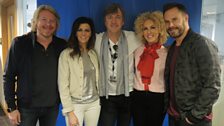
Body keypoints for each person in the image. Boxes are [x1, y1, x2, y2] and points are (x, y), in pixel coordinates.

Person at [3, 5, 67, 126]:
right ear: (35, 22)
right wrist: (12, 107)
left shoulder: (62, 45)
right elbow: (9, 77)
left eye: (52, 21)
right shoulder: (20, 44)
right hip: (26, 107)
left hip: (52, 106)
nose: (48, 24)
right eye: (44, 19)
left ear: (56, 24)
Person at [163, 2, 221, 126]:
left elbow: (213, 86)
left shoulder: (202, 44)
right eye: (167, 22)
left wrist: (193, 117)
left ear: (186, 18)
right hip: (174, 117)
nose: (171, 25)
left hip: (194, 121)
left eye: (174, 19)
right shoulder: (173, 48)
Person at [94, 3, 140, 126]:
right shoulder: (96, 40)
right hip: (106, 95)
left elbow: (153, 38)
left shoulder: (134, 37)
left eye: (118, 17)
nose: (113, 21)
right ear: (104, 21)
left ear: (123, 21)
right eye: (110, 17)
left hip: (128, 93)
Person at [58, 17, 100, 126]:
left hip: (94, 104)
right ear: (75, 32)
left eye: (87, 30)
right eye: (80, 30)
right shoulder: (66, 55)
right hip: (75, 105)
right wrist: (70, 112)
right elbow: (63, 85)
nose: (83, 33)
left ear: (91, 33)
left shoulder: (93, 54)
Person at [132, 11, 168, 126]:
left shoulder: (166, 52)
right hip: (138, 95)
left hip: (158, 98)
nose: (149, 32)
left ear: (160, 30)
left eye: (153, 27)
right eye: (145, 28)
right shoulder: (137, 50)